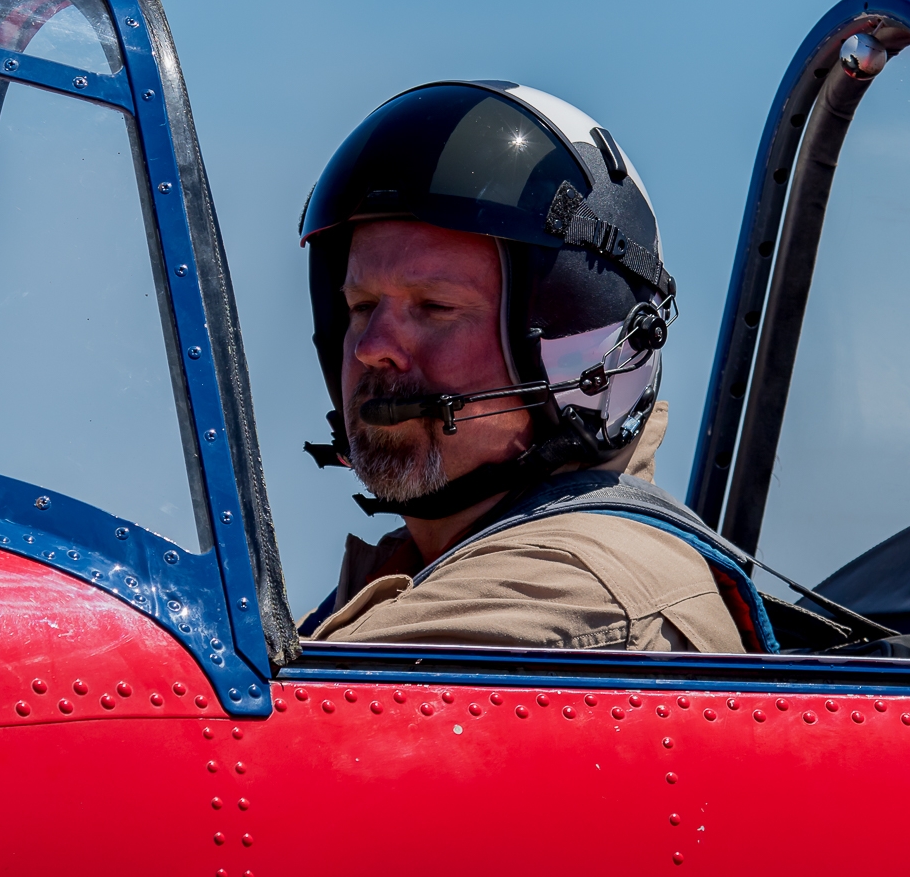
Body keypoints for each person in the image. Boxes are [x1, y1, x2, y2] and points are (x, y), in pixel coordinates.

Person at [294, 81, 777, 654]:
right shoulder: (410, 575)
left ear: (581, 344)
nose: (372, 347)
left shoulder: (576, 593)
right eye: (361, 307)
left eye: (436, 307)